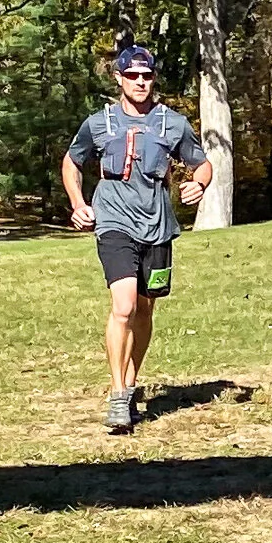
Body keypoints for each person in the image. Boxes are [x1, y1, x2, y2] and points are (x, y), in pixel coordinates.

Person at [62, 45, 213, 433]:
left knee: (145, 309)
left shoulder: (172, 123)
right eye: (132, 76)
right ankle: (117, 395)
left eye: (147, 76)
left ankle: (130, 383)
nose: (140, 82)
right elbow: (72, 161)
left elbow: (202, 163)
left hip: (157, 225)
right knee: (124, 306)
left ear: (154, 78)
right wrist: (78, 203)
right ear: (119, 78)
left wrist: (198, 184)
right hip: (114, 220)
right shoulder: (99, 123)